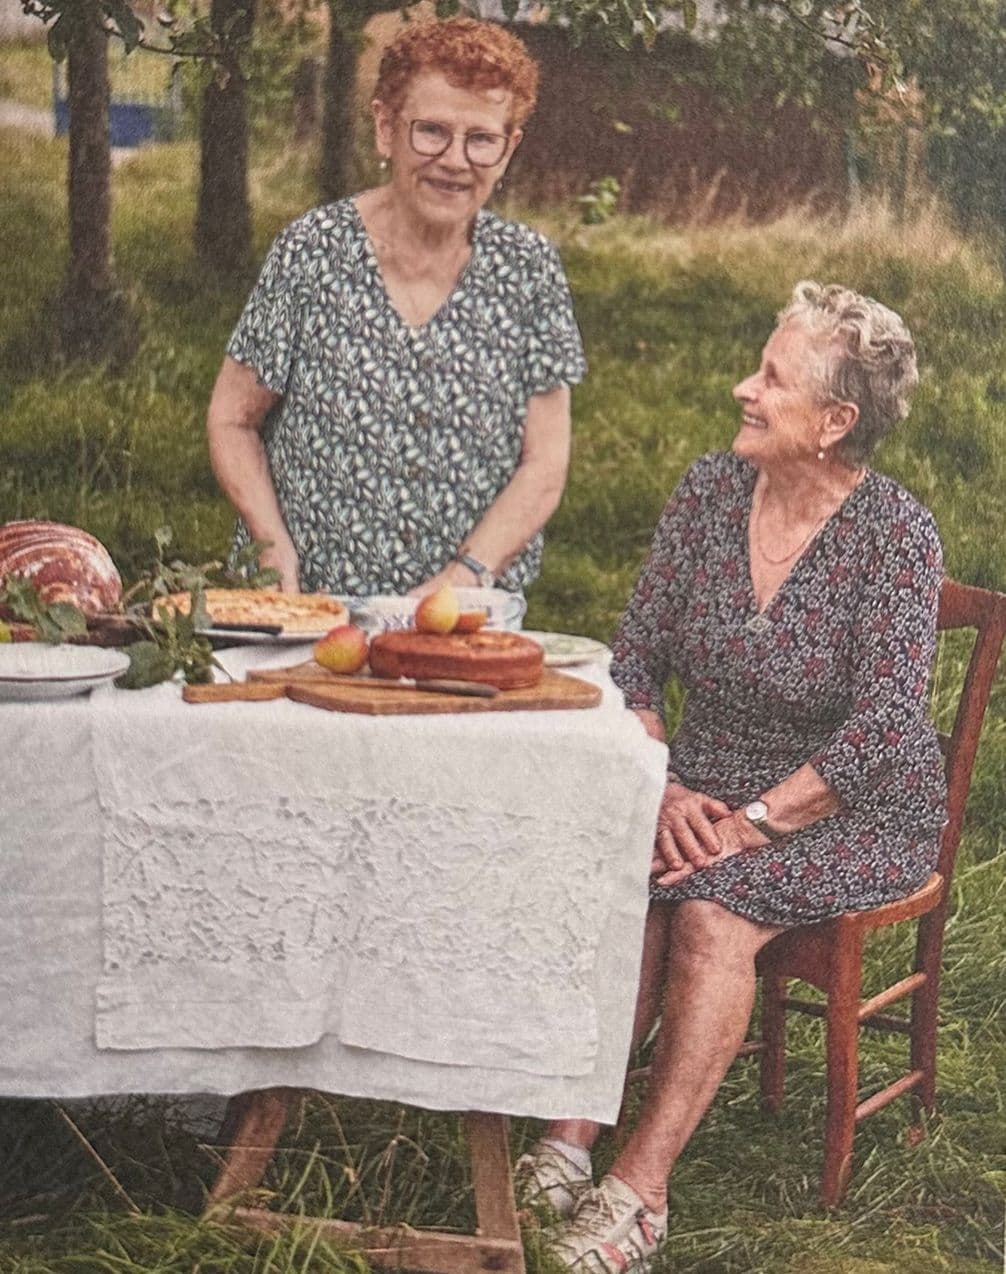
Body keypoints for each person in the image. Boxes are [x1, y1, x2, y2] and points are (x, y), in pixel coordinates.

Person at [515, 282, 947, 1272]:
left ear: (836, 422)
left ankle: (638, 1191)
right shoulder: (709, 491)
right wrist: (658, 786)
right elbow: (631, 660)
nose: (741, 387)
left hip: (855, 809)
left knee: (709, 908)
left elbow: (882, 731)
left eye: (771, 378)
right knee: (622, 872)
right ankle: (566, 1137)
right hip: (701, 781)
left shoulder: (897, 536)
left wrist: (750, 823)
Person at [207, 17, 585, 597]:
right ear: (386, 128)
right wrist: (269, 543)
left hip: (459, 625)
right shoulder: (313, 252)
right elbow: (234, 420)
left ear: (508, 150)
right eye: (431, 131)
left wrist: (467, 578)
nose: (455, 160)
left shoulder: (529, 270)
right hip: (305, 607)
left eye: (481, 139)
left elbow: (546, 464)